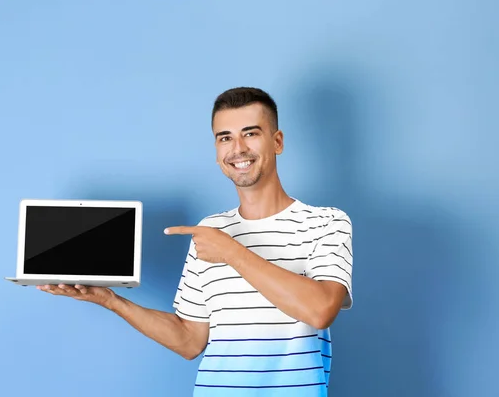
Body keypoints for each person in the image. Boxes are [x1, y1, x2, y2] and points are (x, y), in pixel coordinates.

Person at [38, 87, 353, 396]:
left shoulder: (326, 222)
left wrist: (231, 251)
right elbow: (189, 341)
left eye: (251, 133)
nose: (238, 148)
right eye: (225, 137)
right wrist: (110, 300)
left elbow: (320, 309)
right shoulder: (209, 231)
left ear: (277, 142)